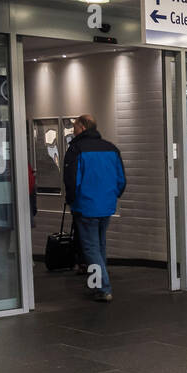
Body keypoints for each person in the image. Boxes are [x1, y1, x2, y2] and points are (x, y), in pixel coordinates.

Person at [63, 114, 126, 303]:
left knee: (91, 248)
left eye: (75, 127)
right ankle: (95, 282)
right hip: (106, 205)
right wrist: (111, 196)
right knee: (99, 245)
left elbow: (72, 181)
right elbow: (121, 180)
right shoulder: (111, 148)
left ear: (82, 127)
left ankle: (102, 287)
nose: (73, 131)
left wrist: (72, 201)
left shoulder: (76, 149)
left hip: (85, 206)